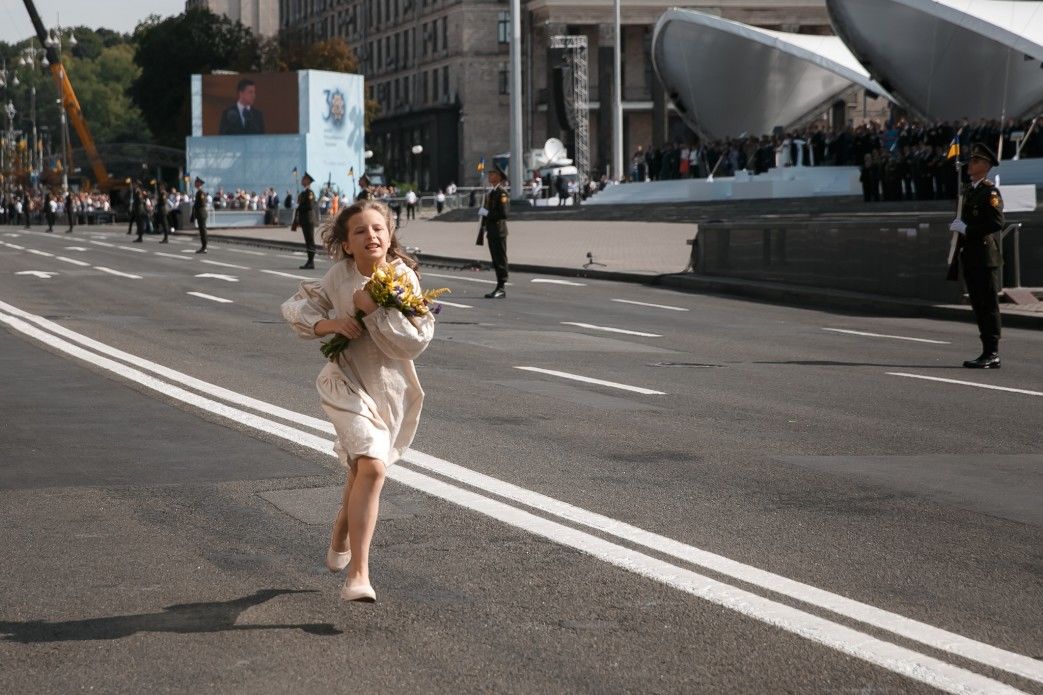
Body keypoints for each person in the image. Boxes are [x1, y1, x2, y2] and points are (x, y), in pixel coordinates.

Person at [280, 199, 435, 603]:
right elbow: (295, 307)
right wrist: (331, 322)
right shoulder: (338, 276)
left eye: (378, 229)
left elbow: (415, 341)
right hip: (345, 382)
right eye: (361, 231)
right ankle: (359, 574)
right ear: (347, 244)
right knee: (371, 465)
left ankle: (339, 527)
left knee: (361, 468)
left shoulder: (402, 279)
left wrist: (374, 309)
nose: (372, 236)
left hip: (388, 388)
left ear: (390, 235)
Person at [947, 143, 1005, 369]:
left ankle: (992, 352)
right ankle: (986, 351)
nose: (970, 164)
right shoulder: (970, 190)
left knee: (988, 305)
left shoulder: (990, 192)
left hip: (984, 256)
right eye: (970, 160)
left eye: (975, 161)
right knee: (979, 305)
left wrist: (967, 229)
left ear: (985, 166)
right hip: (971, 255)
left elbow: (997, 222)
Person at [479, 165, 510, 298]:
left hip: (499, 231)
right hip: (492, 231)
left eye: (492, 174)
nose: (489, 176)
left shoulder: (502, 193)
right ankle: (499, 285)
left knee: (500, 259)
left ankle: (501, 287)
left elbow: (504, 213)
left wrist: (487, 213)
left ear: (498, 177)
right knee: (495, 260)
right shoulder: (492, 193)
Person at [292, 172, 318, 269]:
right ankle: (309, 261)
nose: (302, 180)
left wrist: (300, 207)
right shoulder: (303, 193)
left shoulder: (309, 192)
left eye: (304, 178)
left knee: (310, 240)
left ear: (307, 181)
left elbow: (310, 206)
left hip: (308, 219)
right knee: (308, 241)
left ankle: (311, 262)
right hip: (304, 219)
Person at [189, 176, 209, 253]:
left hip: (201, 213)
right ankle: (203, 247)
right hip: (200, 213)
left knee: (203, 231)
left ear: (199, 183)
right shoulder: (199, 192)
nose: (194, 183)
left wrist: (196, 207)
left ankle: (204, 247)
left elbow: (202, 203)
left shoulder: (201, 192)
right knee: (201, 231)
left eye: (196, 182)